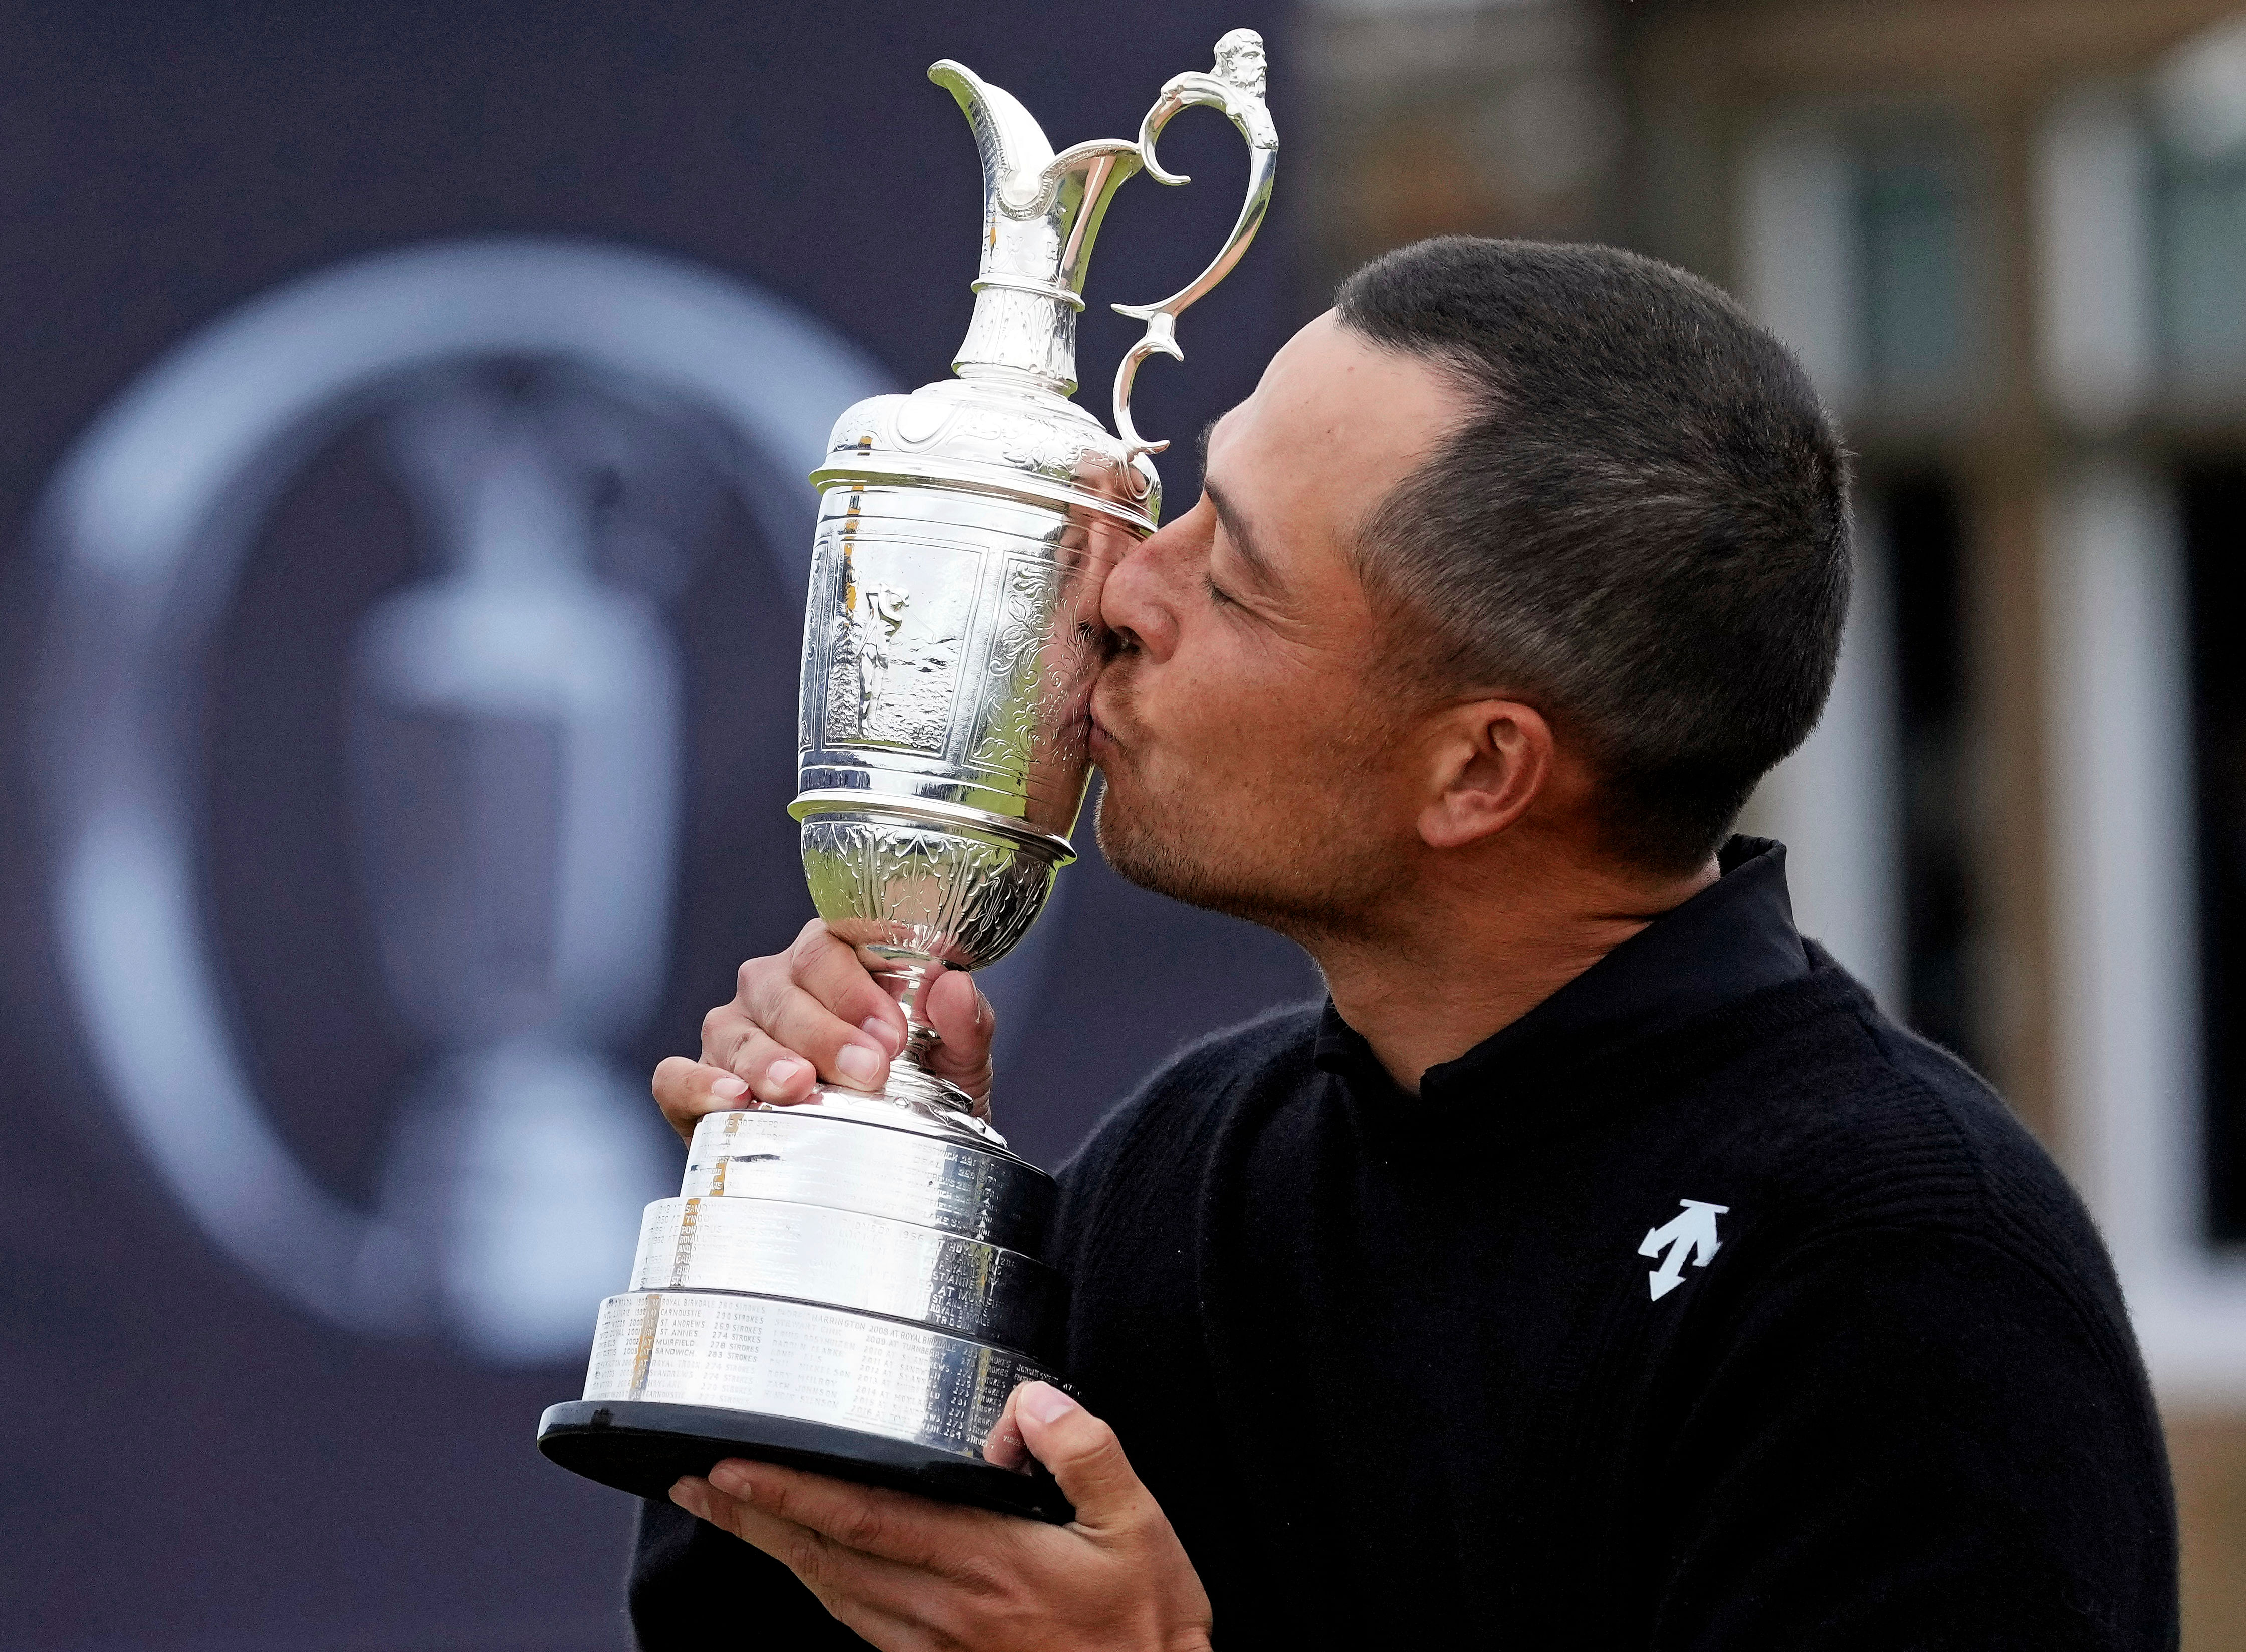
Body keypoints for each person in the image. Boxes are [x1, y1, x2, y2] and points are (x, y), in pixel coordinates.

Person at [628, 238, 2178, 1650]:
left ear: (1477, 772)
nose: (1115, 591)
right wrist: (866, 1238)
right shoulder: (1201, 1163)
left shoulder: (1899, 1276)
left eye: (1229, 575)